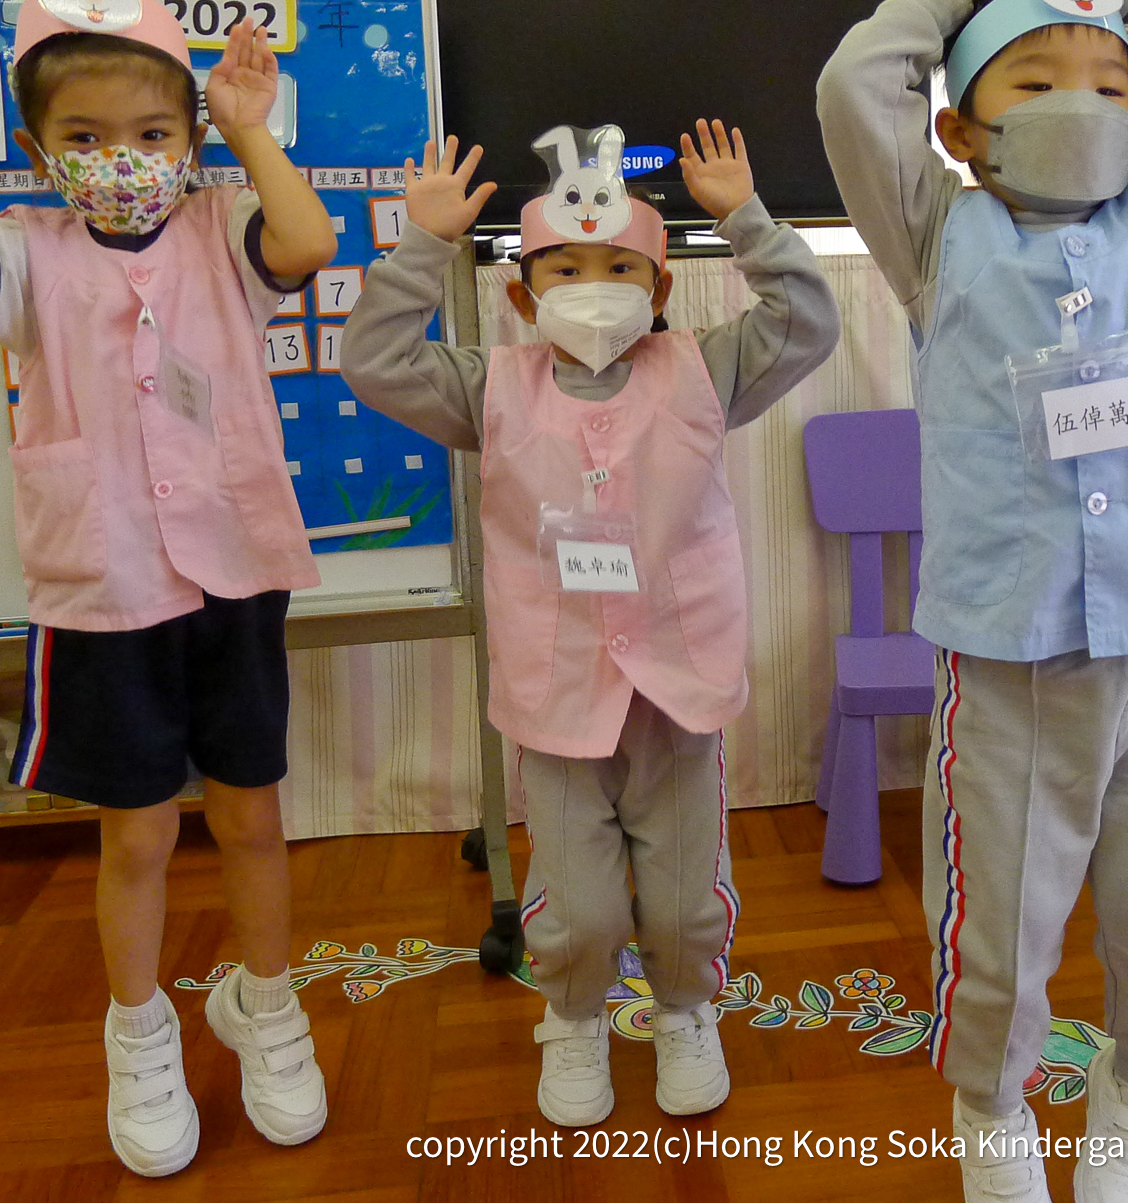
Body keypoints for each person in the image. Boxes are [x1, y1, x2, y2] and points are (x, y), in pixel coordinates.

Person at [816, 0, 1128, 1203]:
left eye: (1108, 82)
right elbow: (854, 88)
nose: (1078, 102)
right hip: (1011, 648)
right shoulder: (935, 236)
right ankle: (992, 1111)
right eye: (1033, 81)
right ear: (958, 131)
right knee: (1003, 925)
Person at [0, 0, 338, 1178]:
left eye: (149, 134)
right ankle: (137, 1031)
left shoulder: (220, 231)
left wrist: (247, 131)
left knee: (252, 818)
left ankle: (265, 1003)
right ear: (43, 150)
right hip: (108, 584)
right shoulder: (27, 254)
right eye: (82, 138)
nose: (120, 159)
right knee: (135, 833)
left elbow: (308, 244)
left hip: (232, 568)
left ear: (186, 138)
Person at [341, 118, 838, 1129]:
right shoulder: (491, 387)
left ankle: (685, 1009)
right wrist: (423, 244)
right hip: (560, 693)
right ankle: (572, 1017)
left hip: (677, 688)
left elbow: (805, 324)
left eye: (619, 267)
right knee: (579, 901)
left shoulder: (701, 369)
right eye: (564, 268)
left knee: (683, 894)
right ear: (523, 295)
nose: (592, 285)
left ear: (658, 288)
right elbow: (377, 360)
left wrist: (745, 217)